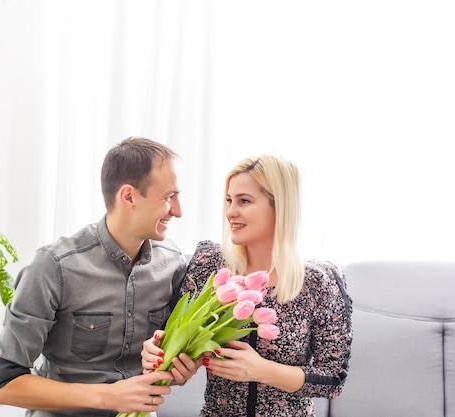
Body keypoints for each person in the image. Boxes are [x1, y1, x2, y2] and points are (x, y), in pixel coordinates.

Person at [0, 137, 199, 417]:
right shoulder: (54, 266)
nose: (178, 211)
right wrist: (110, 396)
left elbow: (167, 351)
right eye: (168, 197)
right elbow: (4, 384)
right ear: (129, 196)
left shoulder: (171, 262)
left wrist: (181, 366)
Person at [142, 154, 353, 416]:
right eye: (229, 200)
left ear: (280, 207)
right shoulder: (210, 263)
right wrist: (164, 357)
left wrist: (261, 370)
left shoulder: (320, 281)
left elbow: (333, 379)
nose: (231, 211)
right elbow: (176, 347)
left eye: (244, 201)